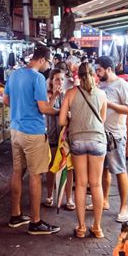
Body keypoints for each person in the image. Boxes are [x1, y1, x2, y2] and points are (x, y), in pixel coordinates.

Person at [3, 46, 61, 235]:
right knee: (36, 175)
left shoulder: (14, 74)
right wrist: (61, 112)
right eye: (48, 62)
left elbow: (6, 101)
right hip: (33, 132)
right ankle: (35, 222)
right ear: (42, 60)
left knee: (17, 171)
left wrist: (22, 106)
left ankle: (15, 215)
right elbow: (43, 109)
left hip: (16, 130)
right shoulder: (38, 78)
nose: (48, 67)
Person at [59, 62, 107, 238]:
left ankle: (81, 228)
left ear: (77, 75)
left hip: (78, 140)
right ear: (94, 75)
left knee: (80, 183)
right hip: (98, 141)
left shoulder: (70, 93)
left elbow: (61, 121)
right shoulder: (102, 94)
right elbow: (102, 120)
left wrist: (74, 117)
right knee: (96, 184)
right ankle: (97, 227)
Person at [95, 56, 128, 223]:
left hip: (116, 135)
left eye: (99, 70)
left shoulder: (122, 86)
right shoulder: (101, 85)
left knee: (119, 170)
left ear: (108, 69)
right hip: (100, 134)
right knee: (103, 170)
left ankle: (124, 207)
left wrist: (109, 104)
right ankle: (104, 200)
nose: (97, 73)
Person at [44, 69, 75, 210]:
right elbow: (46, 109)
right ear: (51, 81)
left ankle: (68, 198)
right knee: (51, 167)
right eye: (57, 79)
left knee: (68, 167)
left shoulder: (68, 94)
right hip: (52, 134)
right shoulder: (47, 94)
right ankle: (50, 195)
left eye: (62, 79)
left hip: (66, 136)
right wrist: (55, 96)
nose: (60, 82)